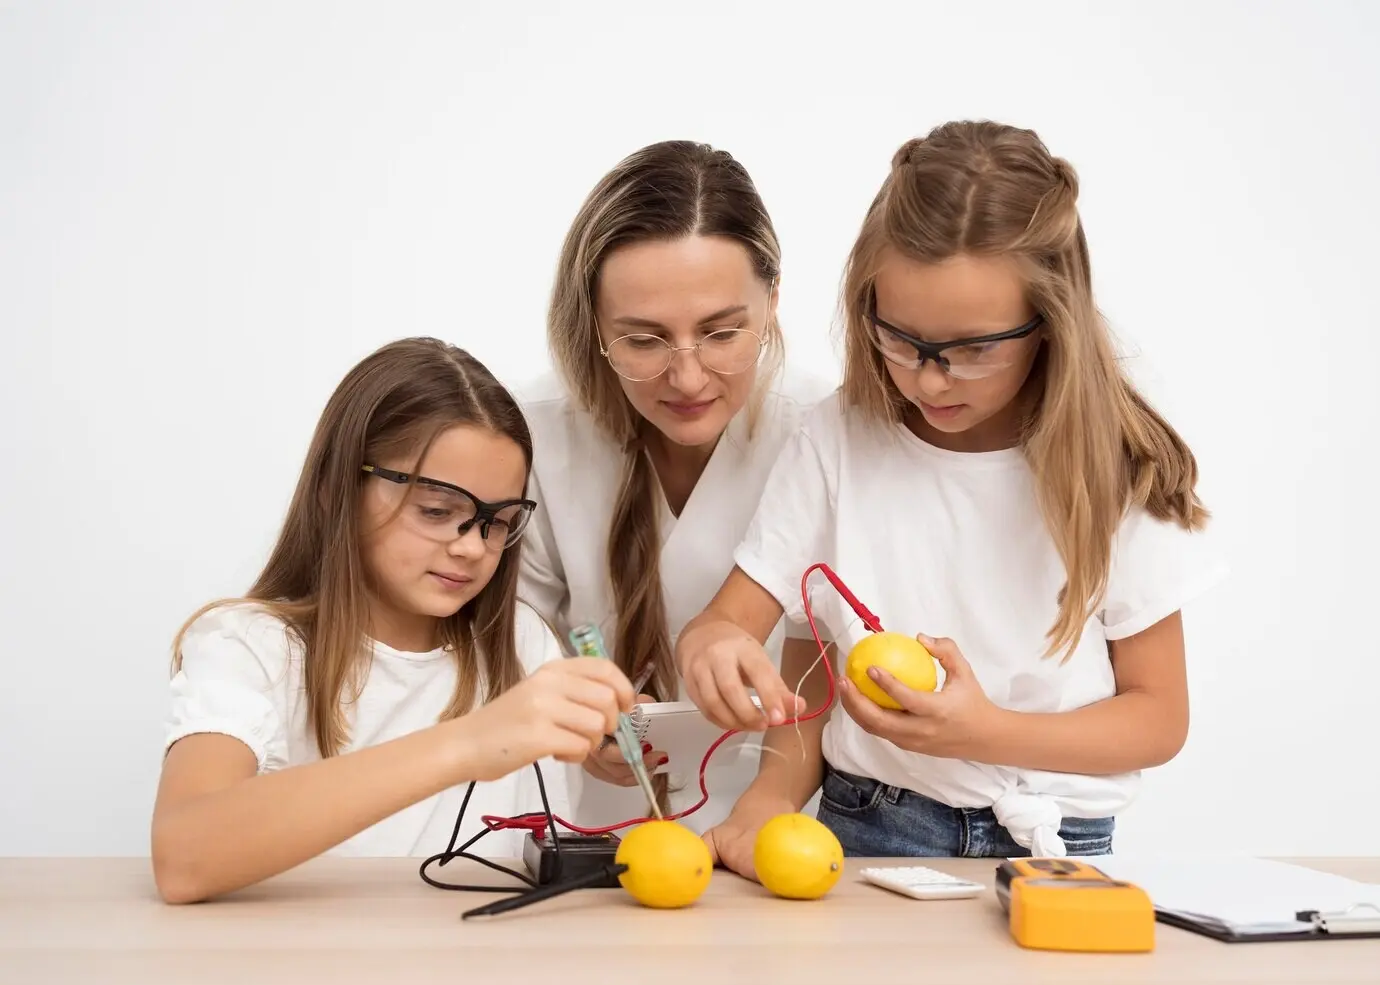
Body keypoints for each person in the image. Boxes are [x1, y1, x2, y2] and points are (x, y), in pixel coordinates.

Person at [674, 120, 1229, 875]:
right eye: (900, 339)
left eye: (971, 350)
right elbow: (786, 644)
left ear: (1051, 324)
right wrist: (717, 660)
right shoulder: (837, 439)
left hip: (1056, 840)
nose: (930, 379)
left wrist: (983, 731)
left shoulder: (1115, 467)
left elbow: (1158, 720)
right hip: (869, 821)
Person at [151, 338, 635, 903]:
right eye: (437, 511)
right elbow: (183, 859)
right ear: (337, 488)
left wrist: (608, 742)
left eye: (499, 521)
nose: (473, 548)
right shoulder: (250, 647)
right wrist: (469, 743)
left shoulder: (522, 642)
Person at [515, 140, 836, 834]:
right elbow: (510, 638)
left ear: (773, 302)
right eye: (643, 340)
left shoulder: (826, 435)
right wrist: (568, 710)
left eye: (722, 333)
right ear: (593, 322)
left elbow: (833, 653)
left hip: (784, 832)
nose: (687, 379)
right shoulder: (534, 434)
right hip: (596, 830)